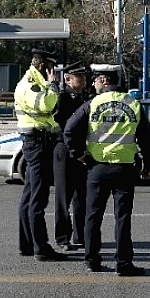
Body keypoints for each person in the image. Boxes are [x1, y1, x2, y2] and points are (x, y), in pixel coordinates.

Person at [64, 66, 150, 275]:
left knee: (93, 217)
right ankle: (123, 264)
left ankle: (91, 261)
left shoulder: (92, 104)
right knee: (122, 217)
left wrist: (77, 153)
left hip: (97, 167)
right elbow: (146, 138)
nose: (94, 83)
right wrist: (149, 165)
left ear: (105, 80)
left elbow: (69, 129)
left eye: (96, 79)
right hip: (124, 169)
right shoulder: (133, 104)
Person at [15, 48, 67, 261]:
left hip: (40, 141)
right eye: (51, 66)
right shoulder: (30, 84)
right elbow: (47, 103)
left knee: (30, 194)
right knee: (38, 196)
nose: (53, 71)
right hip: (36, 142)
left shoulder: (37, 82)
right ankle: (40, 247)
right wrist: (54, 85)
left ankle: (27, 244)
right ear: (42, 65)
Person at [53, 61, 89, 252]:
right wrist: (75, 151)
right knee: (63, 197)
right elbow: (62, 128)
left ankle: (79, 235)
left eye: (83, 76)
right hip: (66, 151)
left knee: (81, 197)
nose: (83, 79)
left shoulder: (84, 98)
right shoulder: (62, 98)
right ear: (67, 79)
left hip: (82, 152)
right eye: (79, 76)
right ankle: (62, 237)